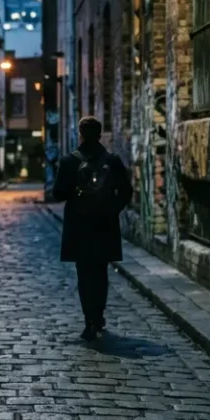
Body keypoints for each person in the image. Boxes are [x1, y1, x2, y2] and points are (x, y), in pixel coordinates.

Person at [50, 116, 132, 341]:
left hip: (79, 226)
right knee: (101, 272)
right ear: (100, 133)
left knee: (84, 274)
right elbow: (126, 191)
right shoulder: (112, 160)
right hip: (105, 225)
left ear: (81, 134)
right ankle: (99, 315)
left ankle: (89, 321)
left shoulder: (69, 161)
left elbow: (57, 194)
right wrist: (113, 209)